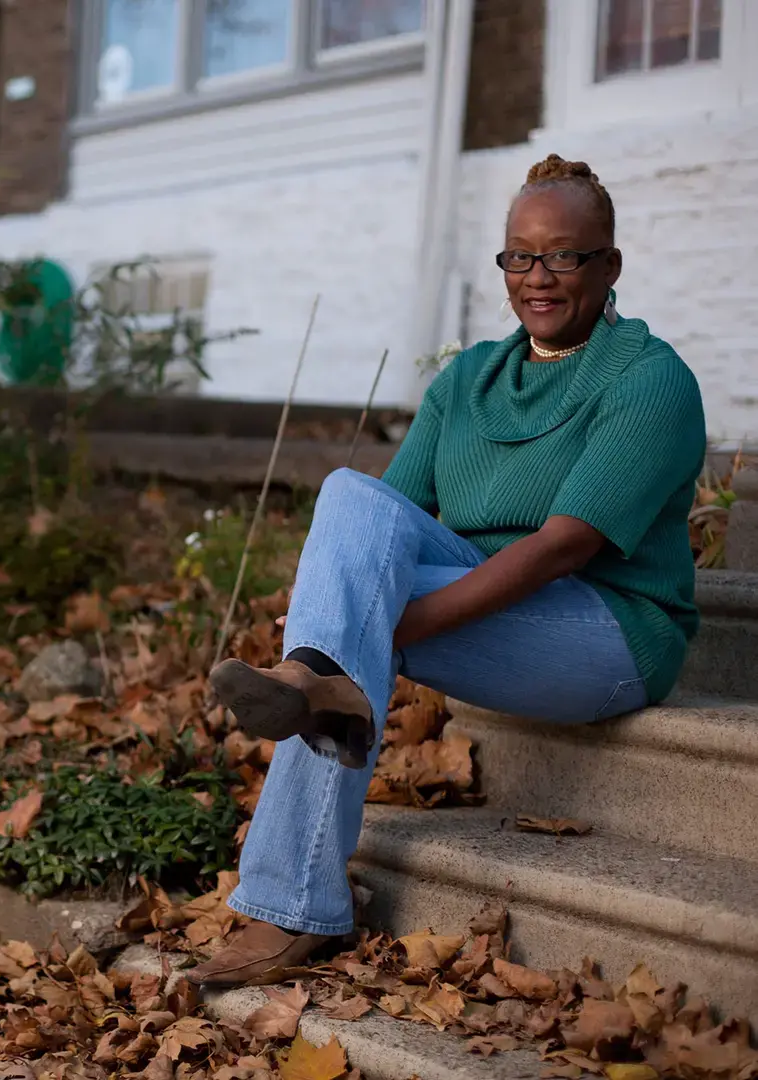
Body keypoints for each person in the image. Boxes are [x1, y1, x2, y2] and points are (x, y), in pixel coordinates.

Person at [189, 154, 707, 988]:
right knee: (349, 494)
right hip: (486, 604)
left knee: (339, 648)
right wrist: (350, 627)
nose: (537, 277)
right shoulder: (468, 377)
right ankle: (313, 688)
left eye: (564, 256)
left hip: (608, 632)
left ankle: (292, 867)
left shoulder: (650, 382)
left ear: (608, 265)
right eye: (519, 256)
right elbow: (377, 528)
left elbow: (562, 546)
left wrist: (370, 634)